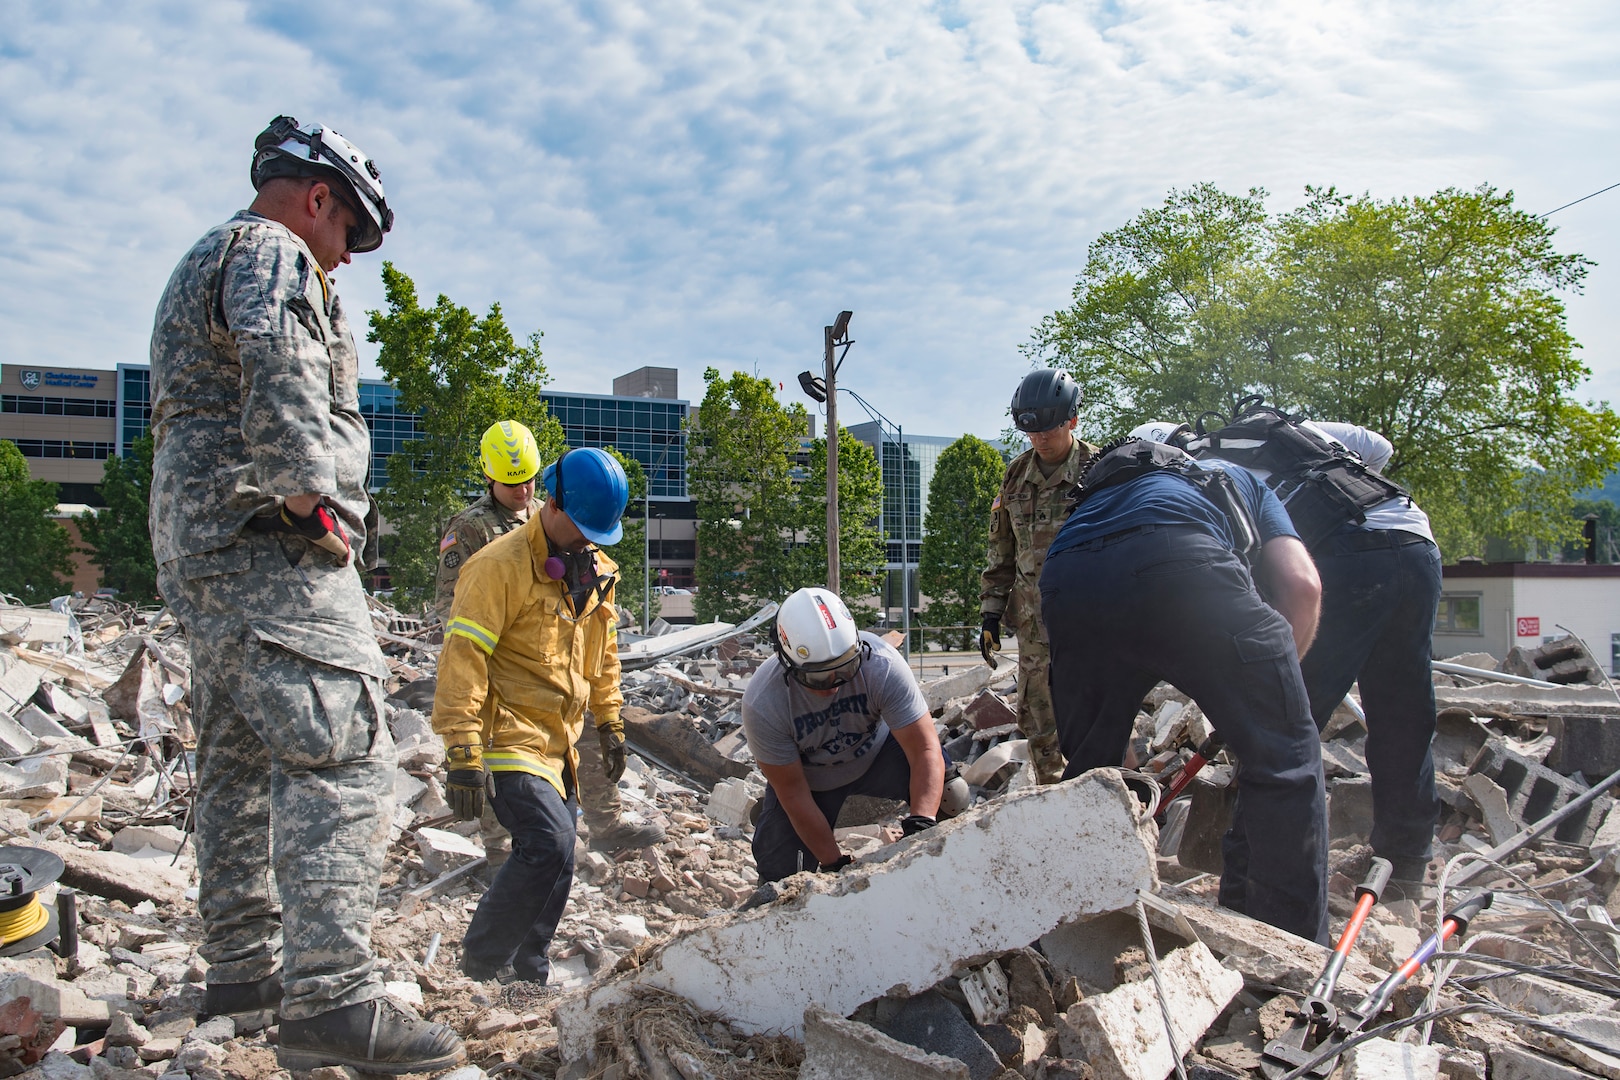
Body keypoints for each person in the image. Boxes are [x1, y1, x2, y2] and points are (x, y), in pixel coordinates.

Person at [149, 116, 463, 1073]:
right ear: (318, 197)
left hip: (203, 539)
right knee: (342, 744)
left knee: (241, 755)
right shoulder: (274, 251)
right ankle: (333, 996)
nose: (349, 257)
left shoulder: (204, 257)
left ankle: (241, 971)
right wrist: (310, 496)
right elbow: (282, 364)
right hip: (266, 533)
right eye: (352, 234)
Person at [1039, 429, 1329, 943]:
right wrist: (1272, 698)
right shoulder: (1230, 478)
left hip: (1069, 578)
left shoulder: (1089, 507)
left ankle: (1089, 926)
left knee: (1094, 775)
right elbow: (1302, 587)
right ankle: (1290, 949)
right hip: (1182, 562)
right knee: (1284, 762)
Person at [1192, 410, 1442, 892]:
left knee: (1284, 722)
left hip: (1340, 561)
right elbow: (1380, 447)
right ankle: (1406, 864)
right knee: (1402, 713)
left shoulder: (1196, 466)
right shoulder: (1300, 430)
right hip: (1414, 543)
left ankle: (1252, 878)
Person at [432, 447, 631, 985]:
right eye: (584, 526)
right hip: (507, 733)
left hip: (558, 741)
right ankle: (480, 964)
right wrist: (462, 747)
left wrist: (610, 720)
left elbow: (603, 652)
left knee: (558, 859)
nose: (591, 539)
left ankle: (527, 972)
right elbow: (464, 657)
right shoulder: (496, 567)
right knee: (548, 842)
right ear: (554, 502)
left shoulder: (597, 570)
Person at [436, 424, 664, 857]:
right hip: (504, 674)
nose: (522, 491)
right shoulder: (472, 531)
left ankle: (605, 823)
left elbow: (600, 639)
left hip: (559, 669)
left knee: (585, 738)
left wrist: (610, 716)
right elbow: (461, 628)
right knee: (500, 761)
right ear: (489, 477)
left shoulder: (566, 519)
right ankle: (502, 853)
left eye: (527, 480)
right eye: (511, 482)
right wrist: (461, 743)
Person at [741, 587, 946, 883]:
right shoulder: (763, 702)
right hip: (812, 781)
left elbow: (925, 749)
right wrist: (835, 864)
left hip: (878, 757)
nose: (833, 686)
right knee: (781, 870)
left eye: (845, 669)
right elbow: (794, 793)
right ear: (788, 662)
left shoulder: (882, 664)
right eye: (818, 676)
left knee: (950, 795)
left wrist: (923, 823)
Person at [980, 369, 1098, 784]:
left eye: (1048, 429)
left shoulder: (1098, 470)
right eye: (1031, 432)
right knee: (1038, 710)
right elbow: (1002, 552)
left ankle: (1103, 785)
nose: (1040, 439)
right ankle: (1052, 791)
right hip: (1033, 620)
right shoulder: (1015, 475)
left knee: (1093, 703)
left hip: (1090, 618)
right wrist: (990, 614)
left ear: (1072, 421)